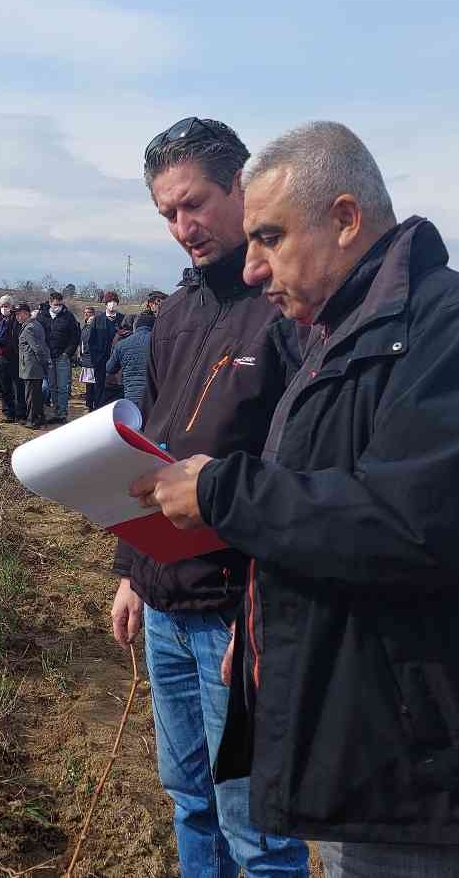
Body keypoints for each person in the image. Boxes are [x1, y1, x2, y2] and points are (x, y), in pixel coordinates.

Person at [128, 122, 459, 876]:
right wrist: (264, 623)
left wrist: (222, 490)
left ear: (346, 218)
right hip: (384, 752)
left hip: (451, 780)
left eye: (269, 236)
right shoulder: (348, 339)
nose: (253, 268)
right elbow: (328, 512)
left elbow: (404, 525)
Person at [112, 116, 310, 877]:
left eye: (193, 204)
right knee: (189, 799)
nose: (181, 227)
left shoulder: (284, 313)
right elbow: (149, 453)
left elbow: (299, 472)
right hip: (165, 606)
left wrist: (265, 615)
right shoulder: (173, 316)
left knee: (258, 828)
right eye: (166, 213)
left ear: (239, 188)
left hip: (236, 612)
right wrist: (133, 572)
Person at [43, 291, 81, 422]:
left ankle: (62, 413)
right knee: (51, 386)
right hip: (48, 356)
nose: (57, 307)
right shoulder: (43, 316)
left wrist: (67, 353)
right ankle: (55, 410)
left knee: (63, 386)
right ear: (50, 303)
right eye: (55, 304)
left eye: (59, 304)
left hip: (62, 357)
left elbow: (75, 336)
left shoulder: (68, 317)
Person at [82, 292, 122, 411]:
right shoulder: (97, 320)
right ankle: (98, 408)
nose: (112, 304)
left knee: (116, 386)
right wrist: (95, 359)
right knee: (99, 386)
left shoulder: (122, 319)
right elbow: (91, 341)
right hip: (100, 361)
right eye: (110, 302)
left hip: (118, 361)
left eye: (115, 302)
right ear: (106, 304)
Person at [106, 309, 153, 410]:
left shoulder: (122, 344)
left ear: (136, 326)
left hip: (131, 394)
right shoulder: (158, 342)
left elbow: (110, 368)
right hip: (152, 395)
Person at [15, 302, 51, 428]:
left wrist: (43, 363)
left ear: (25, 314)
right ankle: (39, 418)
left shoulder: (29, 327)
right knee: (36, 394)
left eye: (19, 314)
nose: (17, 317)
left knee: (31, 395)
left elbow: (37, 348)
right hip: (35, 367)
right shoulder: (36, 325)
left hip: (31, 367)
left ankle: (32, 420)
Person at [0, 296, 24, 422]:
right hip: (2, 357)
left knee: (18, 386)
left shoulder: (15, 320)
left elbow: (11, 339)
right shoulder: (0, 320)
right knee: (3, 385)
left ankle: (20, 413)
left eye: (7, 305)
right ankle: (8, 412)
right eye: (2, 305)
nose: (4, 308)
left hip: (14, 357)